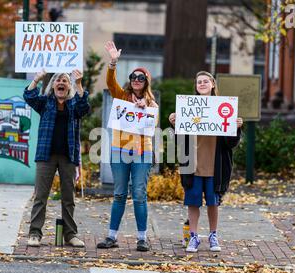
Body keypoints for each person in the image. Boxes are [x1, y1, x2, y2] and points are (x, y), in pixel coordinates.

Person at [168, 71, 243, 253]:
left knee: (213, 203)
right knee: (192, 202)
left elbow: (231, 144)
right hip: (192, 164)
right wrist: (174, 124)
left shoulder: (224, 107)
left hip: (215, 165)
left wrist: (236, 127)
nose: (202, 84)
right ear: (196, 86)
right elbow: (178, 140)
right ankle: (193, 236)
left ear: (212, 84)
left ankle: (213, 235)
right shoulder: (188, 108)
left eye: (205, 81)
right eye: (199, 82)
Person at [97, 41, 159, 252]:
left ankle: (142, 238)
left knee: (140, 194)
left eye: (141, 78)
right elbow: (110, 81)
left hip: (142, 153)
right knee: (119, 193)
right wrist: (113, 62)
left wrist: (145, 109)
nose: (136, 80)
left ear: (146, 82)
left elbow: (154, 125)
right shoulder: (121, 96)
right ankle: (111, 236)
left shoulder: (152, 104)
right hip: (119, 151)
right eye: (133, 77)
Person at [23, 69, 91, 247]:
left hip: (68, 157)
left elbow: (85, 106)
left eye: (65, 81)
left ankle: (70, 234)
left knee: (68, 198)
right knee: (41, 196)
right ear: (53, 85)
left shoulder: (74, 105)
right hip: (46, 156)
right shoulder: (45, 103)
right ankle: (35, 233)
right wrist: (37, 79)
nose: (61, 83)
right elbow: (29, 96)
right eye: (58, 80)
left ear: (68, 87)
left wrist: (78, 83)